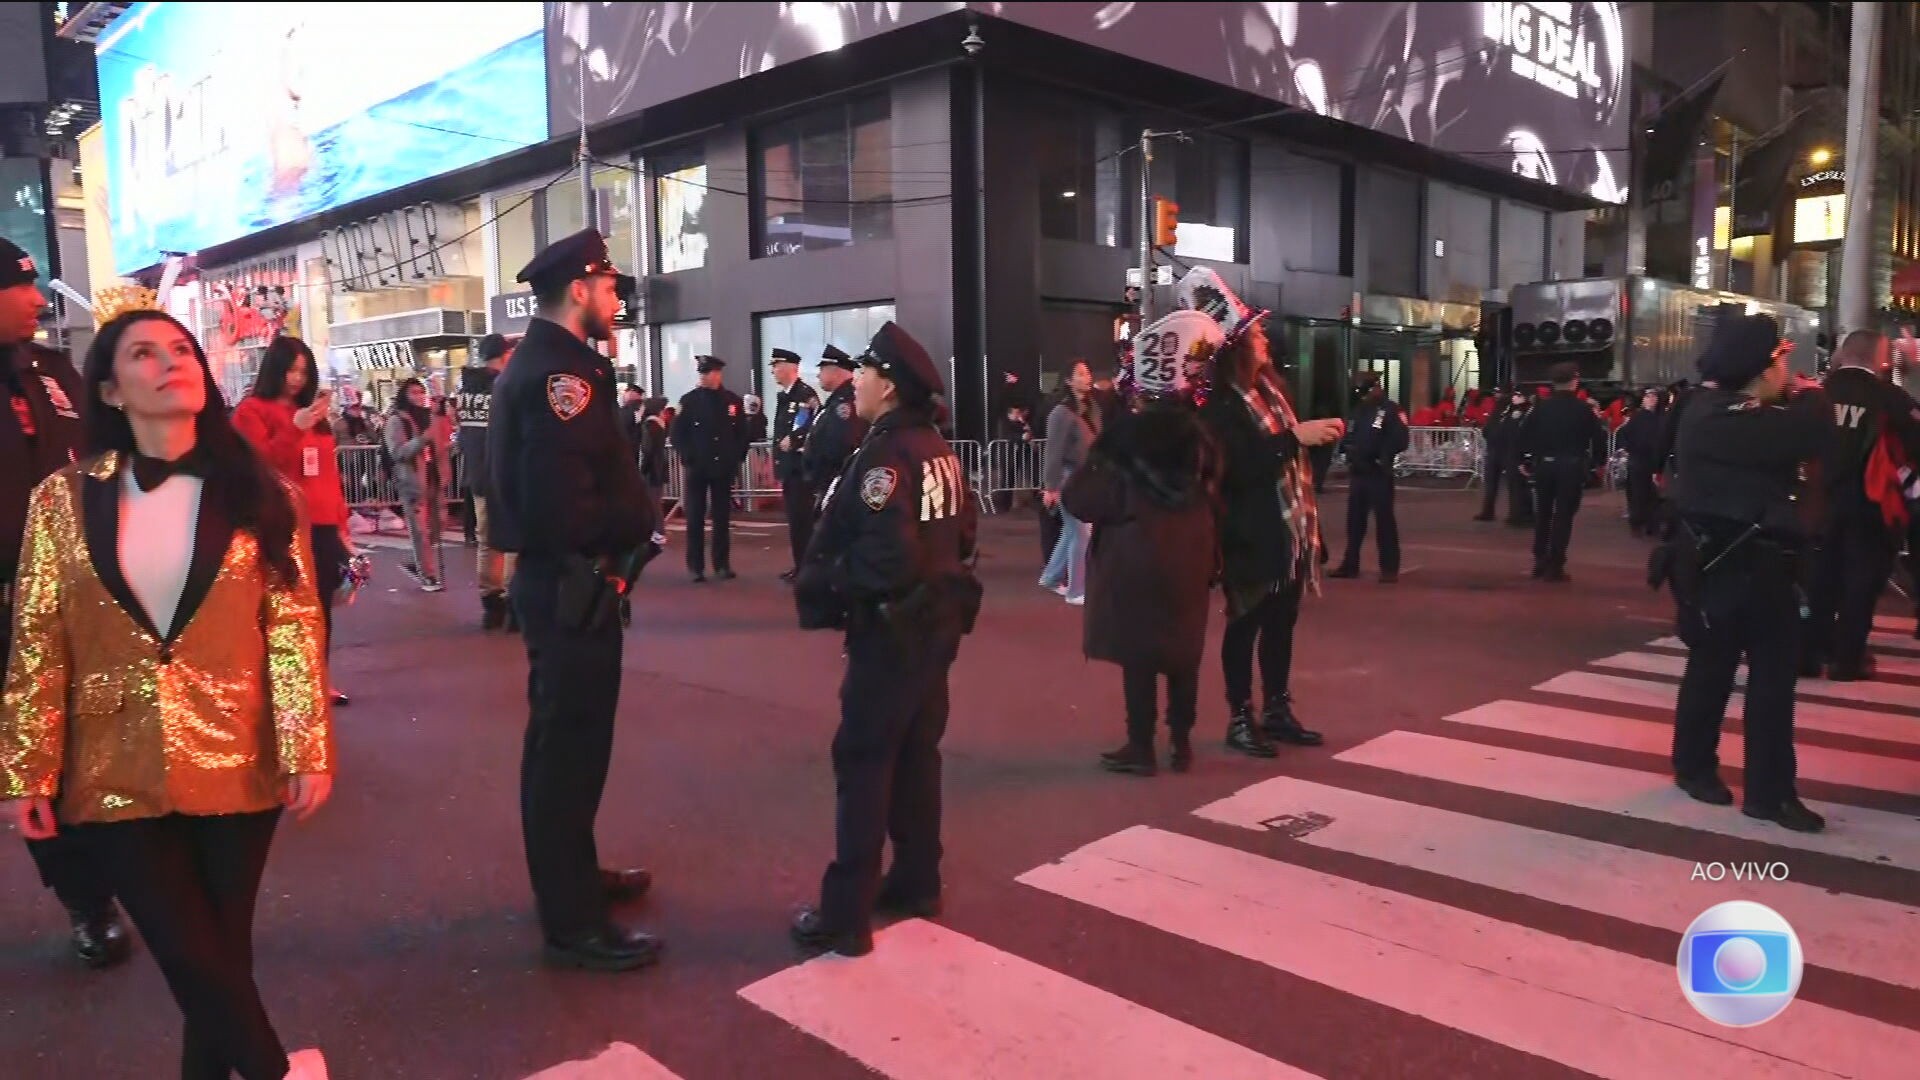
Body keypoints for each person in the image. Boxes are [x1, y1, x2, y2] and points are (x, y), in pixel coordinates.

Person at [3, 309, 334, 1079]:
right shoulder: (61, 500)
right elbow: (39, 638)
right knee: (191, 954)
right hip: (109, 764)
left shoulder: (262, 492)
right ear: (112, 390)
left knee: (218, 957)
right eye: (142, 354)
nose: (168, 362)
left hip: (236, 752)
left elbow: (291, 628)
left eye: (181, 350)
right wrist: (26, 767)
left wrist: (305, 743)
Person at [487, 228, 662, 972]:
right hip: (572, 582)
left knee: (571, 747)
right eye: (611, 287)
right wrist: (629, 534)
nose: (618, 300)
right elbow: (563, 507)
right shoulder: (563, 378)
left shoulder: (551, 367)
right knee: (569, 752)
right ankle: (572, 922)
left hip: (568, 582)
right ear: (580, 290)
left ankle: (573, 881)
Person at [790, 321, 981, 957]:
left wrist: (830, 583)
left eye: (867, 373)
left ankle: (846, 913)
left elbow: (881, 557)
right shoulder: (937, 448)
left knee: (867, 762)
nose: (856, 385)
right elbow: (963, 536)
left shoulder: (885, 456)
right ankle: (917, 880)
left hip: (892, 630)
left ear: (890, 386)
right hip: (937, 627)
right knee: (917, 758)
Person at [0, 236, 130, 968]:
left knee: (70, 755)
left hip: (68, 602)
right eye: (18, 287)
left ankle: (91, 899)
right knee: (22, 763)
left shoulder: (53, 372)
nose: (35, 299)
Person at [1664, 313, 1830, 833]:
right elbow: (1807, 431)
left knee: (1736, 673)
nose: (1788, 372)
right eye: (1780, 363)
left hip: (1747, 562)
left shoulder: (1721, 408)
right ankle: (1743, 784)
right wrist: (1814, 395)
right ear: (1756, 369)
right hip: (1735, 563)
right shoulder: (1722, 415)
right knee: (1745, 676)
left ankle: (1728, 777)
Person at [1192, 269, 1344, 758]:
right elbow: (1236, 467)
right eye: (1254, 334)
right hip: (1250, 535)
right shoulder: (1219, 407)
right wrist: (1294, 439)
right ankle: (1241, 716)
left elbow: (1290, 461)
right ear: (1235, 349)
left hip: (1290, 533)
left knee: (1282, 625)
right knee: (1245, 626)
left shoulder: (1271, 392)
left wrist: (1314, 442)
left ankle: (1277, 708)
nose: (1264, 339)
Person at [1063, 309, 1220, 776]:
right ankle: (1182, 743)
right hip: (1190, 557)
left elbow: (1084, 500)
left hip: (1135, 560)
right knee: (1182, 654)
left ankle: (1141, 746)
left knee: (1140, 657)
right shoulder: (1202, 440)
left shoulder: (1122, 443)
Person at [232, 336, 357, 706]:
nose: (297, 379)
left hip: (321, 525)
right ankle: (276, 684)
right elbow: (258, 467)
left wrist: (342, 525)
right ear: (275, 369)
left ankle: (319, 677)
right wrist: (294, 427)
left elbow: (328, 476)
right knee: (282, 608)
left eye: (304, 371)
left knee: (319, 607)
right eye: (291, 370)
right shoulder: (252, 411)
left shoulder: (316, 418)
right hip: (280, 523)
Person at [1808, 330, 1920, 681]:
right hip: (1870, 504)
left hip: (1818, 503)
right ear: (1880, 358)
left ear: (1843, 353)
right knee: (1861, 581)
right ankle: (1848, 659)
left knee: (1819, 577)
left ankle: (1811, 652)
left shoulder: (1815, 395)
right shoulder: (1891, 398)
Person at [1517, 362, 1605, 582]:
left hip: (1545, 466)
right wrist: (1596, 463)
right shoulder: (1583, 410)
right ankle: (1556, 564)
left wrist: (1524, 460)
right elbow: (1599, 439)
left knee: (1543, 514)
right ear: (1575, 381)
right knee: (1564, 516)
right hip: (1571, 467)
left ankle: (1540, 559)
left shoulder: (1540, 408)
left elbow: (1524, 435)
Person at [458, 333, 517, 630]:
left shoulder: (465, 392)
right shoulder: (503, 387)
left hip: (477, 474)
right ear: (504, 356)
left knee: (486, 540)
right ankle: (511, 597)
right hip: (505, 473)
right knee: (513, 539)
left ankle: (489, 599)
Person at [672, 355, 747, 582]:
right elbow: (677, 434)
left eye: (707, 373)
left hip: (722, 467)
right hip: (697, 468)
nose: (703, 377)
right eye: (701, 373)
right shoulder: (689, 401)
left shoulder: (732, 401)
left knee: (722, 517)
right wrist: (688, 456)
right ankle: (696, 566)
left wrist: (735, 458)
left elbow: (742, 434)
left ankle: (722, 564)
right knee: (695, 517)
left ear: (717, 374)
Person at [1328, 371, 1408, 583]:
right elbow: (1350, 434)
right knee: (1354, 523)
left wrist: (1383, 455)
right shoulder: (1359, 410)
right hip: (1359, 472)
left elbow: (1401, 438)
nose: (1366, 394)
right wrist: (1348, 449)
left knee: (1384, 522)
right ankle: (1350, 565)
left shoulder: (1390, 409)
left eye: (1368, 389)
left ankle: (1389, 568)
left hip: (1378, 473)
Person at [1040, 362, 1101, 605]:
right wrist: (1051, 487)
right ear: (1069, 380)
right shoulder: (1061, 413)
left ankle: (1052, 577)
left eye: (1088, 372)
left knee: (1072, 532)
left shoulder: (1091, 408)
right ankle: (1076, 590)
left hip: (1084, 476)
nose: (1088, 377)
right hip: (1068, 477)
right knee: (1081, 533)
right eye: (1081, 373)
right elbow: (1053, 451)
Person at [384, 377, 450, 592]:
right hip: (412, 481)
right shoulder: (396, 420)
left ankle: (418, 561)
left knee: (439, 522)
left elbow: (442, 442)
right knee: (420, 530)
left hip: (433, 478)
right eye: (414, 392)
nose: (419, 396)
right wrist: (422, 440)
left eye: (421, 392)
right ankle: (427, 574)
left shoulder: (429, 417)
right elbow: (398, 452)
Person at [770, 348, 820, 580]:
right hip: (789, 468)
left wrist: (796, 438)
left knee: (803, 521)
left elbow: (813, 423)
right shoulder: (786, 395)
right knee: (795, 521)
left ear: (791, 368)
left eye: (777, 366)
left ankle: (807, 567)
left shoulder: (804, 395)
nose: (773, 371)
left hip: (800, 468)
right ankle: (800, 564)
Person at [802, 344, 867, 508]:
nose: (818, 375)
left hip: (836, 488)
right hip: (829, 486)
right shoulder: (836, 402)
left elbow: (840, 447)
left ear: (835, 370)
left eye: (822, 369)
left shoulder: (844, 405)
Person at [1614, 387, 1666, 537]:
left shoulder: (1662, 417)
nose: (1651, 399)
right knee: (1638, 493)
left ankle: (1652, 523)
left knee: (1654, 495)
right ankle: (1637, 522)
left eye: (1653, 396)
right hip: (1639, 459)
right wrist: (1627, 449)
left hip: (1655, 460)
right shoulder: (1637, 417)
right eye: (1648, 396)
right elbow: (1624, 435)